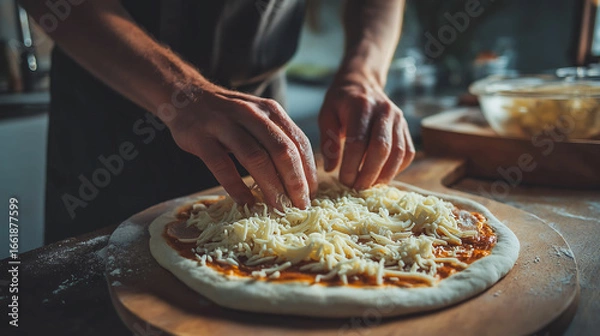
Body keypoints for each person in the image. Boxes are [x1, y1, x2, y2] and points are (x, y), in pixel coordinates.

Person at [21, 0, 415, 243]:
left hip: (256, 112)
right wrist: (181, 91)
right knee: (95, 287)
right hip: (111, 113)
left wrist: (362, 72)